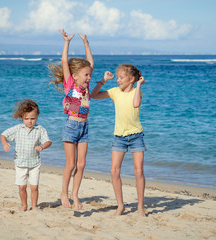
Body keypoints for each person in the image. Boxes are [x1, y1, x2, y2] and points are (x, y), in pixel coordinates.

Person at [91, 64, 146, 217]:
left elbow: (136, 104)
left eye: (121, 78)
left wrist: (139, 85)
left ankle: (140, 207)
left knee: (139, 171)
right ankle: (120, 206)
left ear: (131, 79)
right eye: (117, 77)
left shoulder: (137, 92)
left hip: (136, 136)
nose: (118, 80)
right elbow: (93, 95)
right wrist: (103, 80)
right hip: (119, 137)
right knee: (114, 171)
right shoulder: (115, 92)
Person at [48, 29, 94, 209]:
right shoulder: (70, 85)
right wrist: (67, 42)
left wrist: (86, 44)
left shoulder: (86, 86)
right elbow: (64, 62)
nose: (89, 77)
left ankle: (75, 193)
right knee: (71, 164)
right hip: (71, 126)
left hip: (84, 128)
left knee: (81, 165)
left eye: (89, 75)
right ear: (75, 76)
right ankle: (64, 193)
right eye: (86, 75)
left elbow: (90, 63)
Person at [0, 99, 52, 211]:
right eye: (26, 119)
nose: (29, 121)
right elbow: (3, 135)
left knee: (34, 187)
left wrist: (42, 146)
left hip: (35, 163)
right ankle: (24, 205)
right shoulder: (18, 129)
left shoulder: (40, 129)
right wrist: (5, 144)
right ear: (21, 117)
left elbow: (48, 141)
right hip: (20, 163)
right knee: (22, 187)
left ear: (37, 116)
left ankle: (34, 206)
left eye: (32, 118)